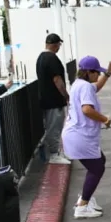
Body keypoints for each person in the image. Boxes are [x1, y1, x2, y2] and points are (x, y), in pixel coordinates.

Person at [62, 56, 111, 219]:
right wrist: (105, 119)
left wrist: (107, 74)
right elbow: (87, 109)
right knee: (97, 168)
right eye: (96, 72)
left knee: (100, 162)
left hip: (76, 135)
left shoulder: (79, 84)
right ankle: (82, 206)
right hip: (80, 136)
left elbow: (97, 87)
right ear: (88, 72)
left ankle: (85, 198)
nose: (98, 75)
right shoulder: (85, 86)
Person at [36, 33, 71, 164]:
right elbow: (57, 79)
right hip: (54, 100)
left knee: (51, 126)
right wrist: (65, 95)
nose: (59, 47)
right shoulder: (52, 58)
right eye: (59, 45)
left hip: (46, 99)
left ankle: (55, 152)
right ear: (56, 45)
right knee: (54, 127)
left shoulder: (41, 57)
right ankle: (54, 154)